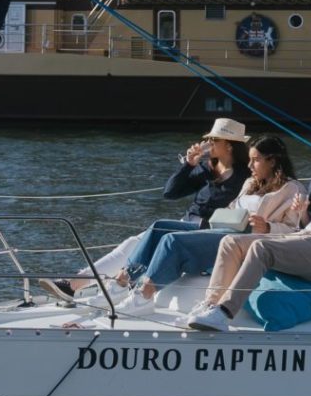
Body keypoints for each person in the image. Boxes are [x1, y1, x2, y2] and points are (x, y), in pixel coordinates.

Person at [186, 135, 311, 331]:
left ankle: (224, 313)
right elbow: (310, 224)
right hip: (304, 237)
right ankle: (211, 304)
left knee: (261, 247)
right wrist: (302, 212)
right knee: (231, 241)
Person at [43, 118, 250, 302]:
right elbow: (170, 192)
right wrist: (188, 165)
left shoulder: (244, 177)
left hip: (207, 231)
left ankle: (98, 286)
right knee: (132, 243)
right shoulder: (207, 169)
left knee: (150, 236)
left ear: (229, 146)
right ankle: (77, 283)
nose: (209, 144)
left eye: (214, 140)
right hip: (186, 223)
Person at [121, 135, 307, 311]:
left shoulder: (292, 189)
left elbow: (294, 229)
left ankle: (144, 296)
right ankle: (124, 280)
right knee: (160, 226)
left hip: (243, 240)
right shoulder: (251, 182)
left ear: (272, 161)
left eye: (256, 160)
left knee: (173, 241)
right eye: (250, 159)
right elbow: (232, 208)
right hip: (224, 227)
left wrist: (267, 227)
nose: (250, 164)